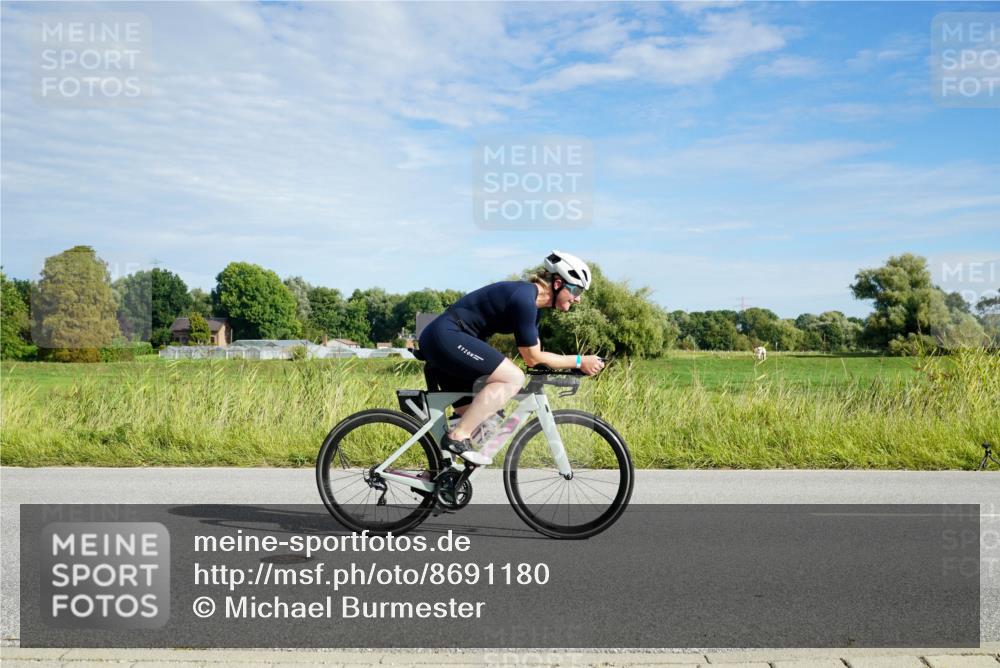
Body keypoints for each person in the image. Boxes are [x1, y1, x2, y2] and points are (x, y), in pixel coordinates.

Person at [417, 250, 605, 465]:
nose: (578, 298)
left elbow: (537, 358)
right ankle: (457, 437)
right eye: (577, 289)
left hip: (453, 342)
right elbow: (532, 358)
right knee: (512, 378)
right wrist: (580, 360)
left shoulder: (534, 309)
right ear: (558, 284)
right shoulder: (524, 298)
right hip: (446, 336)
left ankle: (439, 475)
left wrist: (570, 370)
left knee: (488, 422)